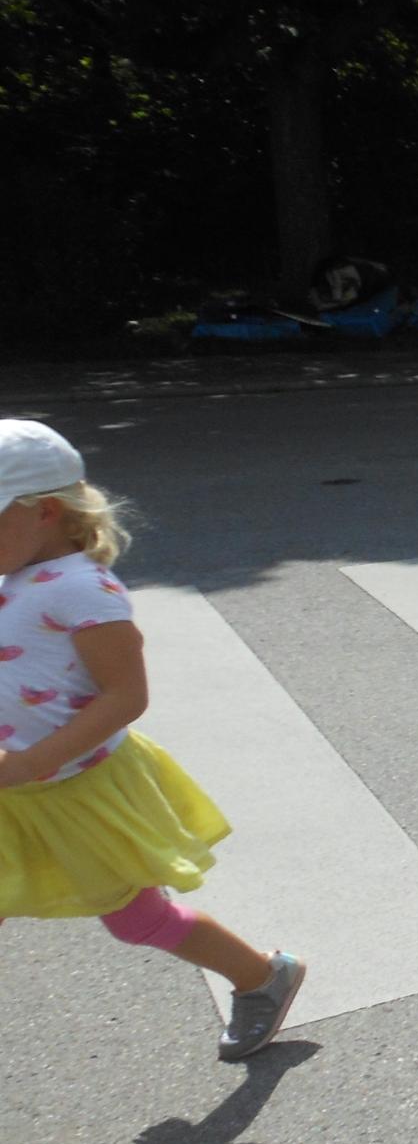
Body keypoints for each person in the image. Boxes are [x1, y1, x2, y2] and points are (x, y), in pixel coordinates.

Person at [0, 420, 305, 1059]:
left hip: (71, 787)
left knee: (139, 919)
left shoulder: (85, 588)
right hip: (13, 788)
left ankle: (261, 977)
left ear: (44, 512)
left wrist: (29, 764)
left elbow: (125, 696)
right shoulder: (11, 571)